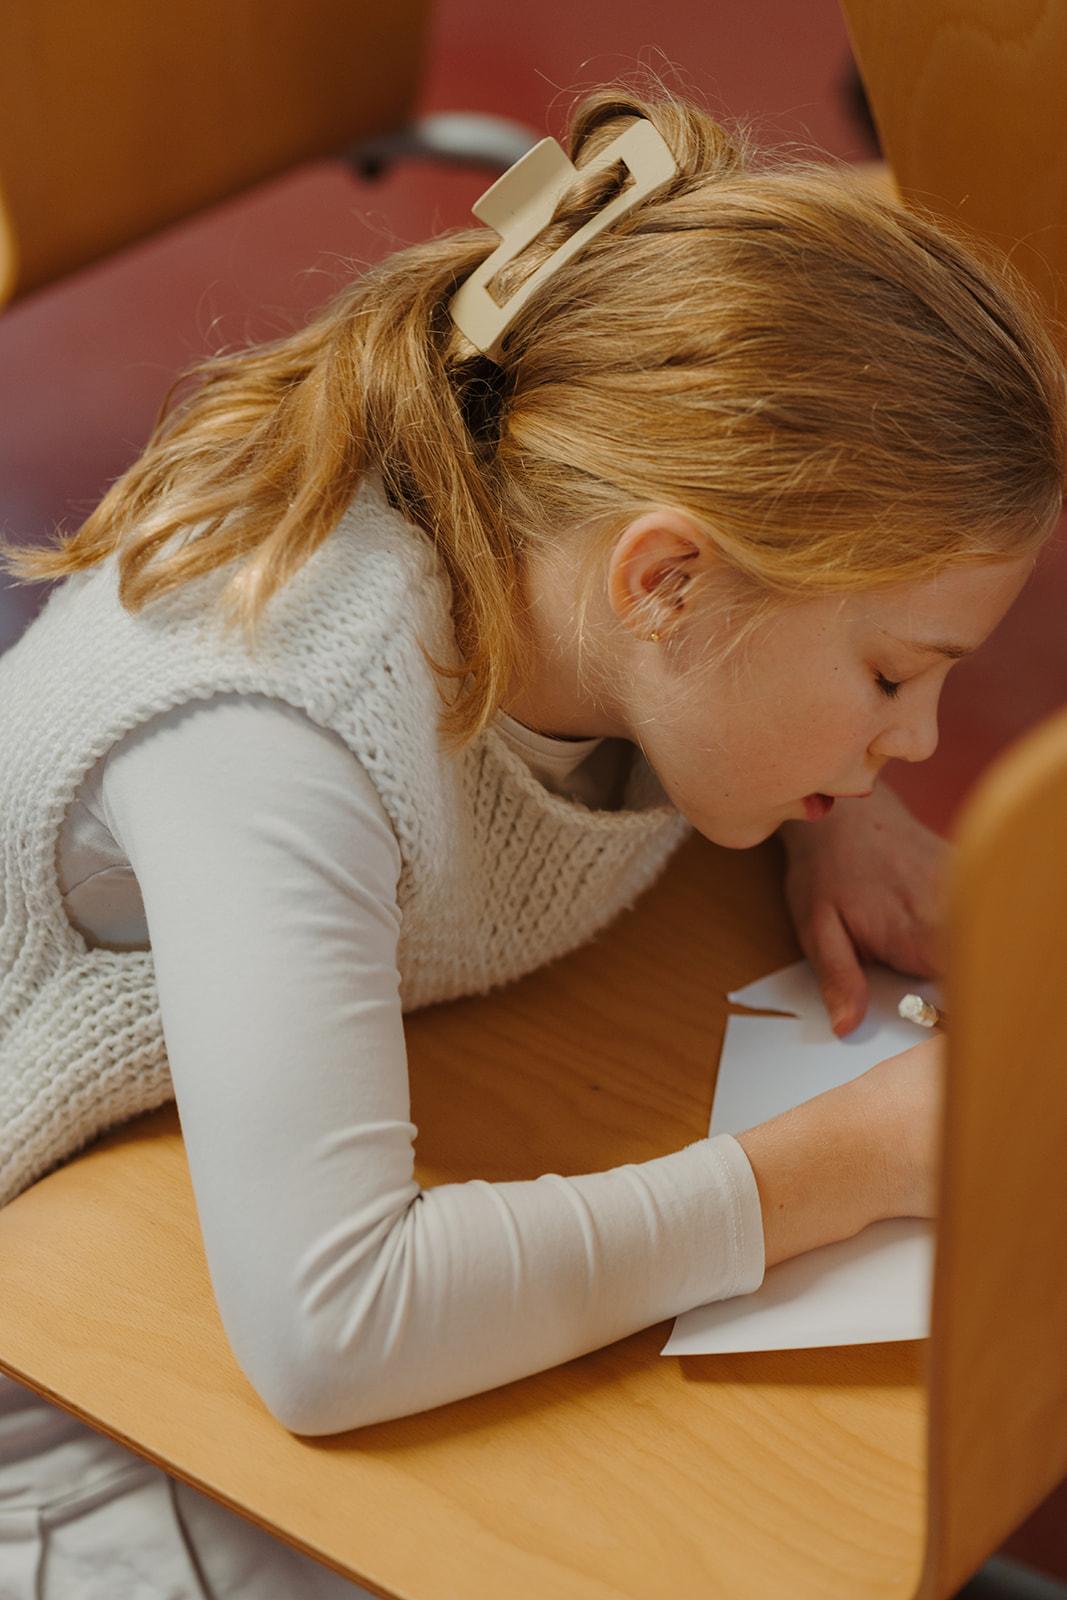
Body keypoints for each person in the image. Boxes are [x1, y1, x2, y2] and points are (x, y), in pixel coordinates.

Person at [0, 83, 1063, 1593]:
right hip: (54, 1398)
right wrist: (857, 1160)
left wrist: (844, 808)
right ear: (668, 583)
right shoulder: (273, 726)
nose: (926, 741)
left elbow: (727, 662)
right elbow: (335, 1330)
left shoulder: (579, 549)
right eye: (894, 677)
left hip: (227, 1183)